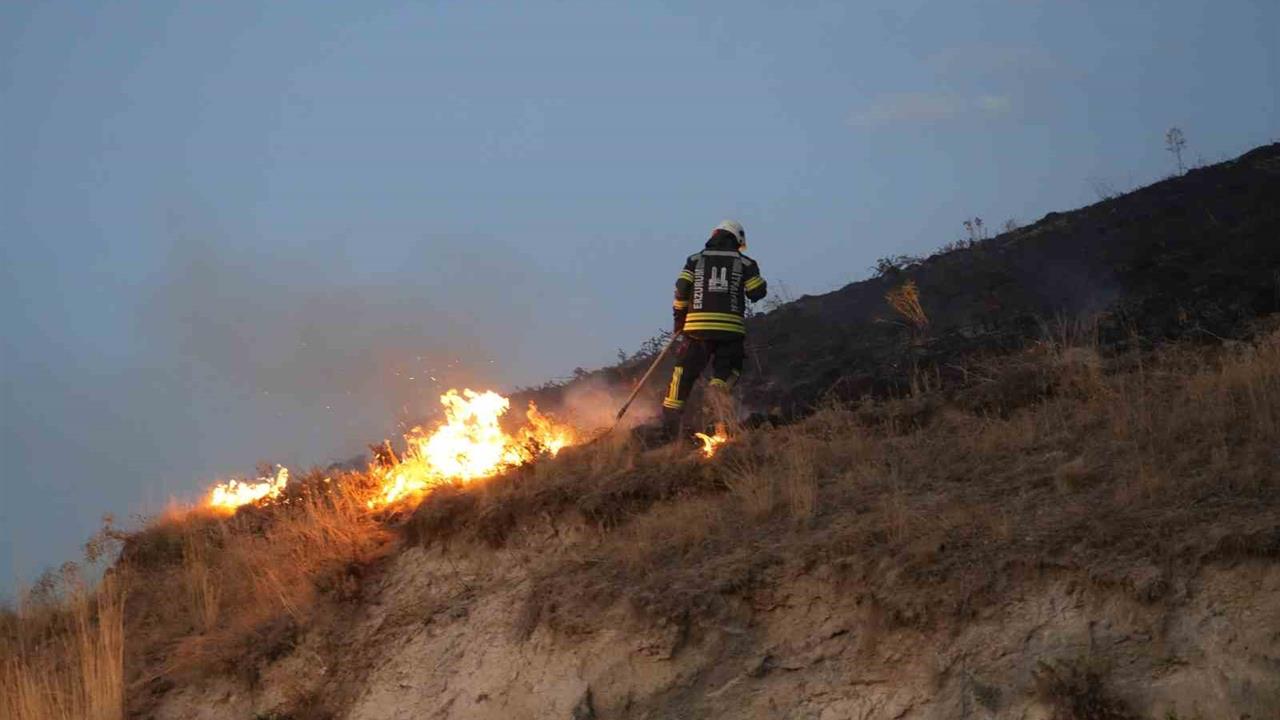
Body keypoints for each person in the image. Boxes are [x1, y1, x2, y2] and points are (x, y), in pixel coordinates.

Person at [661, 220, 768, 438]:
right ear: (737, 240)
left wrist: (679, 321)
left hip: (696, 329)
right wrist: (758, 282)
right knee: (729, 370)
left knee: (683, 373)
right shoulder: (745, 262)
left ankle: (670, 427)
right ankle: (716, 404)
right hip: (730, 331)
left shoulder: (694, 260)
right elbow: (756, 292)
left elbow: (681, 290)